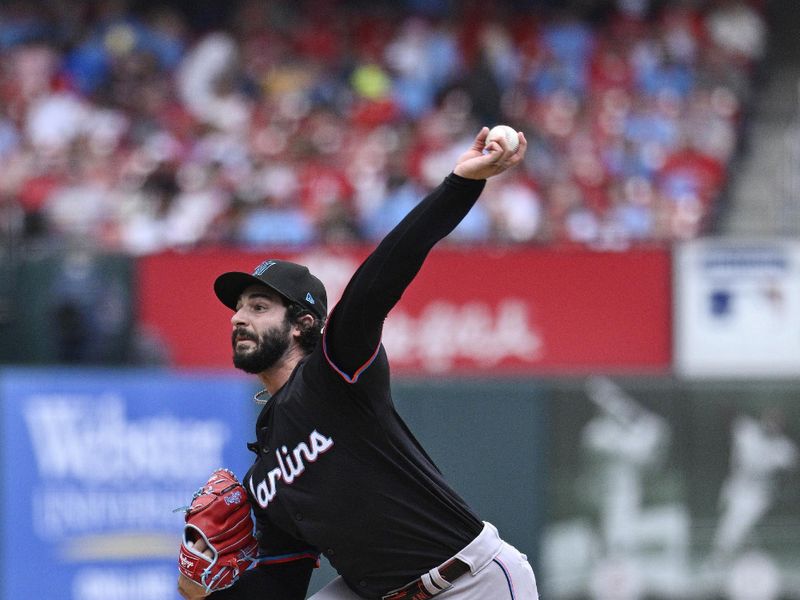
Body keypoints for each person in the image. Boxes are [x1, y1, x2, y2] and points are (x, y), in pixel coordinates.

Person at [177, 126, 538, 600]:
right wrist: (197, 581)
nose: (240, 318)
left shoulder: (335, 371)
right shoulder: (263, 477)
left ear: (303, 324)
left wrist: (461, 183)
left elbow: (379, 279)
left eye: (260, 307)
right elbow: (278, 587)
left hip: (467, 582)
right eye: (239, 309)